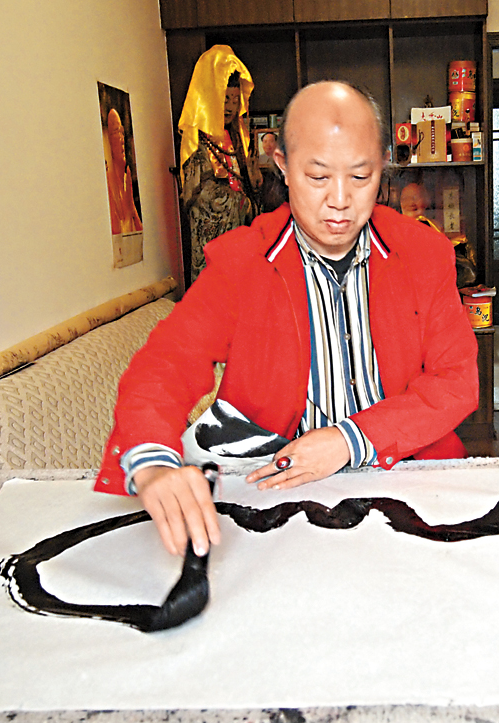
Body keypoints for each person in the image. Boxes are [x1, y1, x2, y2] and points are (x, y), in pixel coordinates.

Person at [95, 81, 478, 558]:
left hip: (405, 476)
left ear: (383, 165)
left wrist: (350, 440)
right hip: (281, 493)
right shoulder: (241, 262)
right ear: (282, 165)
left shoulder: (423, 254)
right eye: (317, 176)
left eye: (360, 176)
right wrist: (152, 459)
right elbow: (166, 365)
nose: (340, 199)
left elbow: (455, 380)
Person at [179, 45, 262, 283]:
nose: (230, 107)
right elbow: (200, 194)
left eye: (235, 100)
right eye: (225, 99)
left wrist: (255, 185)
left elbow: (245, 186)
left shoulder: (237, 137)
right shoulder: (197, 140)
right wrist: (241, 203)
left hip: (241, 238)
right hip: (214, 240)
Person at [104, 108, 143, 235]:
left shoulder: (126, 178)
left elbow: (139, 229)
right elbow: (117, 231)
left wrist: (131, 207)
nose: (121, 138)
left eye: (121, 132)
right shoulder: (109, 181)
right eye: (116, 132)